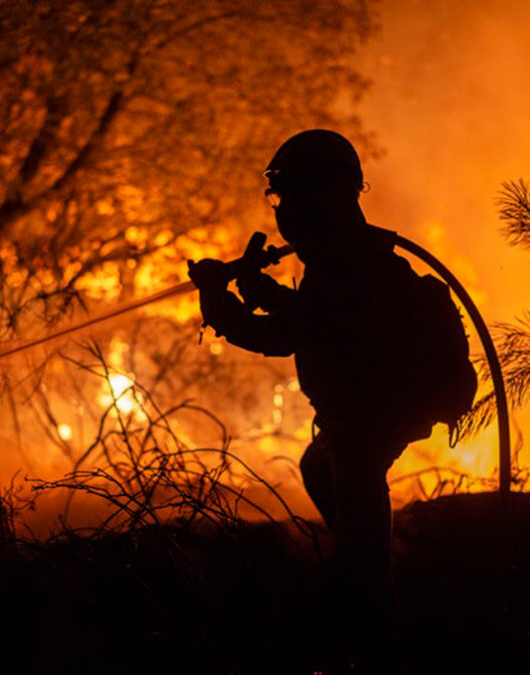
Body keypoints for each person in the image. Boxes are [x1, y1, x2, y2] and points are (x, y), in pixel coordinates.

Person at [187, 129, 475, 669]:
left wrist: (216, 300)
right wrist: (250, 284)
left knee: (358, 563)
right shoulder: (350, 257)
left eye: (291, 195)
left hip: (365, 425)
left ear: (329, 194)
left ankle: (373, 646)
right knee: (317, 468)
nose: (285, 210)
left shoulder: (346, 265)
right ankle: (379, 589)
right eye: (280, 197)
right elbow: (310, 320)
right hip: (362, 420)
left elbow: (280, 336)